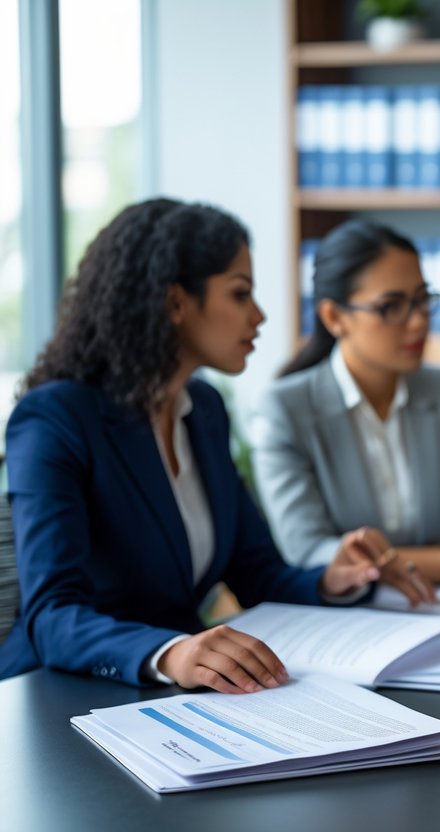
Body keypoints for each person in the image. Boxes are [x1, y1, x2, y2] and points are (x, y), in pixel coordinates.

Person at [0, 198, 382, 691]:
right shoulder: (56, 419)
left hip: (175, 698)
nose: (260, 316)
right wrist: (169, 653)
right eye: (240, 294)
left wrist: (331, 580)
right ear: (176, 302)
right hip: (56, 698)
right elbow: (53, 615)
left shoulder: (203, 409)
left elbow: (255, 572)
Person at [251, 220, 440, 593]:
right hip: (350, 618)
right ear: (333, 317)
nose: (419, 320)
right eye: (391, 306)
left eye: (422, 299)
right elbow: (310, 551)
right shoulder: (285, 409)